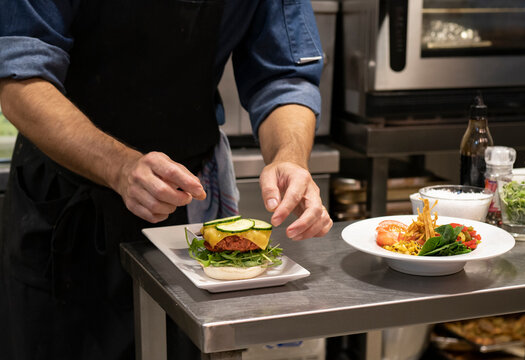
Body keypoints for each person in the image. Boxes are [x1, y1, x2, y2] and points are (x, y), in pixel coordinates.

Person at [0, 1, 333, 359]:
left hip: (186, 215)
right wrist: (119, 165)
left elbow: (283, 77)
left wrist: (288, 157)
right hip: (67, 213)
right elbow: (20, 76)